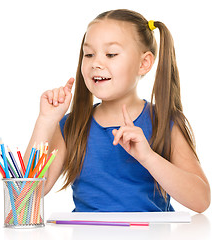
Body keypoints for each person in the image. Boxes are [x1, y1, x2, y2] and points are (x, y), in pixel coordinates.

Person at [24, 9, 210, 213]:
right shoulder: (71, 126)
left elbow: (201, 201)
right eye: (89, 54)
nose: (96, 63)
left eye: (111, 54)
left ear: (144, 63)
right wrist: (45, 121)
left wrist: (148, 157)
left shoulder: (165, 122)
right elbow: (25, 198)